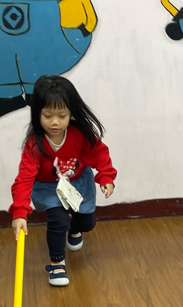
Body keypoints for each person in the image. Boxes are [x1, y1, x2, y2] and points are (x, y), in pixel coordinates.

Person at [10, 76, 116, 286]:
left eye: (62, 116)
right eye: (47, 115)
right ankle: (57, 263)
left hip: (78, 182)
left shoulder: (79, 135)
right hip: (48, 187)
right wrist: (20, 211)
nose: (55, 122)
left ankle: (74, 229)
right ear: (37, 113)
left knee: (87, 223)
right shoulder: (34, 144)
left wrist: (106, 175)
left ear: (71, 113)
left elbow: (99, 153)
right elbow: (24, 178)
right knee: (58, 221)